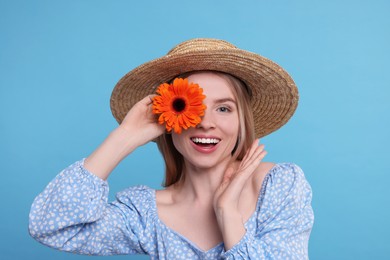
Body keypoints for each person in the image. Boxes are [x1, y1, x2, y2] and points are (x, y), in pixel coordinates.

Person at [29, 38, 314, 259]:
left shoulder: (278, 187)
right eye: (191, 108)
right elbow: (51, 226)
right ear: (169, 120)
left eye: (224, 108)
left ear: (242, 121)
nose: (206, 124)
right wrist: (124, 137)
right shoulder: (144, 214)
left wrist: (227, 212)